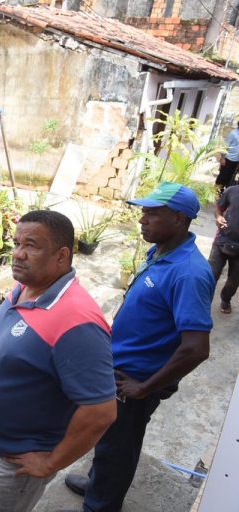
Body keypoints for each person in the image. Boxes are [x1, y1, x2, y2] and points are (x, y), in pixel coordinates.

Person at [64, 182, 215, 512]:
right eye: (143, 212)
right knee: (107, 436)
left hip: (136, 378)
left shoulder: (189, 272)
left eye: (151, 213)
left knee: (119, 447)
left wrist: (145, 387)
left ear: (178, 219)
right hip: (120, 368)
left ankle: (100, 505)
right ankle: (97, 483)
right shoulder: (161, 251)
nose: (142, 219)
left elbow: (196, 348)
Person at [0, 210, 117, 512]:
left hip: (14, 462)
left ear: (61, 256)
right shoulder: (25, 287)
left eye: (31, 245)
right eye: (16, 243)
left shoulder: (77, 321)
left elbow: (101, 411)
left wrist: (52, 461)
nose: (18, 254)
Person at [209, 184, 239, 314]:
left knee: (233, 282)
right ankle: (201, 303)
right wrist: (219, 217)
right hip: (221, 241)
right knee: (210, 275)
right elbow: (218, 207)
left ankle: (225, 299)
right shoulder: (232, 191)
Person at [215, 121, 239, 194]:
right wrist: (222, 158)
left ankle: (224, 193)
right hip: (229, 158)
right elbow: (225, 146)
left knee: (230, 177)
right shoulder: (233, 134)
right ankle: (216, 192)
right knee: (223, 176)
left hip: (236, 160)